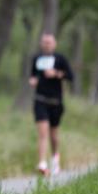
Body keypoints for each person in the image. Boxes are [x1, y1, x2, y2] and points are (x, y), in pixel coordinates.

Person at [28, 33, 74, 177]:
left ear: (54, 44)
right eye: (44, 42)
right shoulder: (37, 59)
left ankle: (55, 158)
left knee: (53, 134)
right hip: (40, 100)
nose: (47, 44)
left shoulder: (60, 59)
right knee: (43, 132)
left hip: (56, 102)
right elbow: (33, 75)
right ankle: (42, 163)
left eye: (49, 42)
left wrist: (56, 74)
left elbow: (71, 76)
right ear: (41, 44)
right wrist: (33, 80)